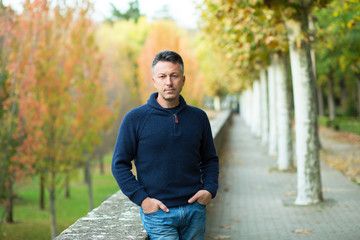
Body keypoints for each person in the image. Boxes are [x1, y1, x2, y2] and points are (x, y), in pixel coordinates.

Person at [112, 50, 219, 240]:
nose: (168, 82)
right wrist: (143, 200)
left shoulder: (198, 118)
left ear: (183, 80)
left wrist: (209, 189)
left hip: (195, 210)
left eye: (174, 76)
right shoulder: (135, 119)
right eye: (162, 76)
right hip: (159, 214)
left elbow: (209, 159)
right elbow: (119, 165)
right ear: (154, 81)